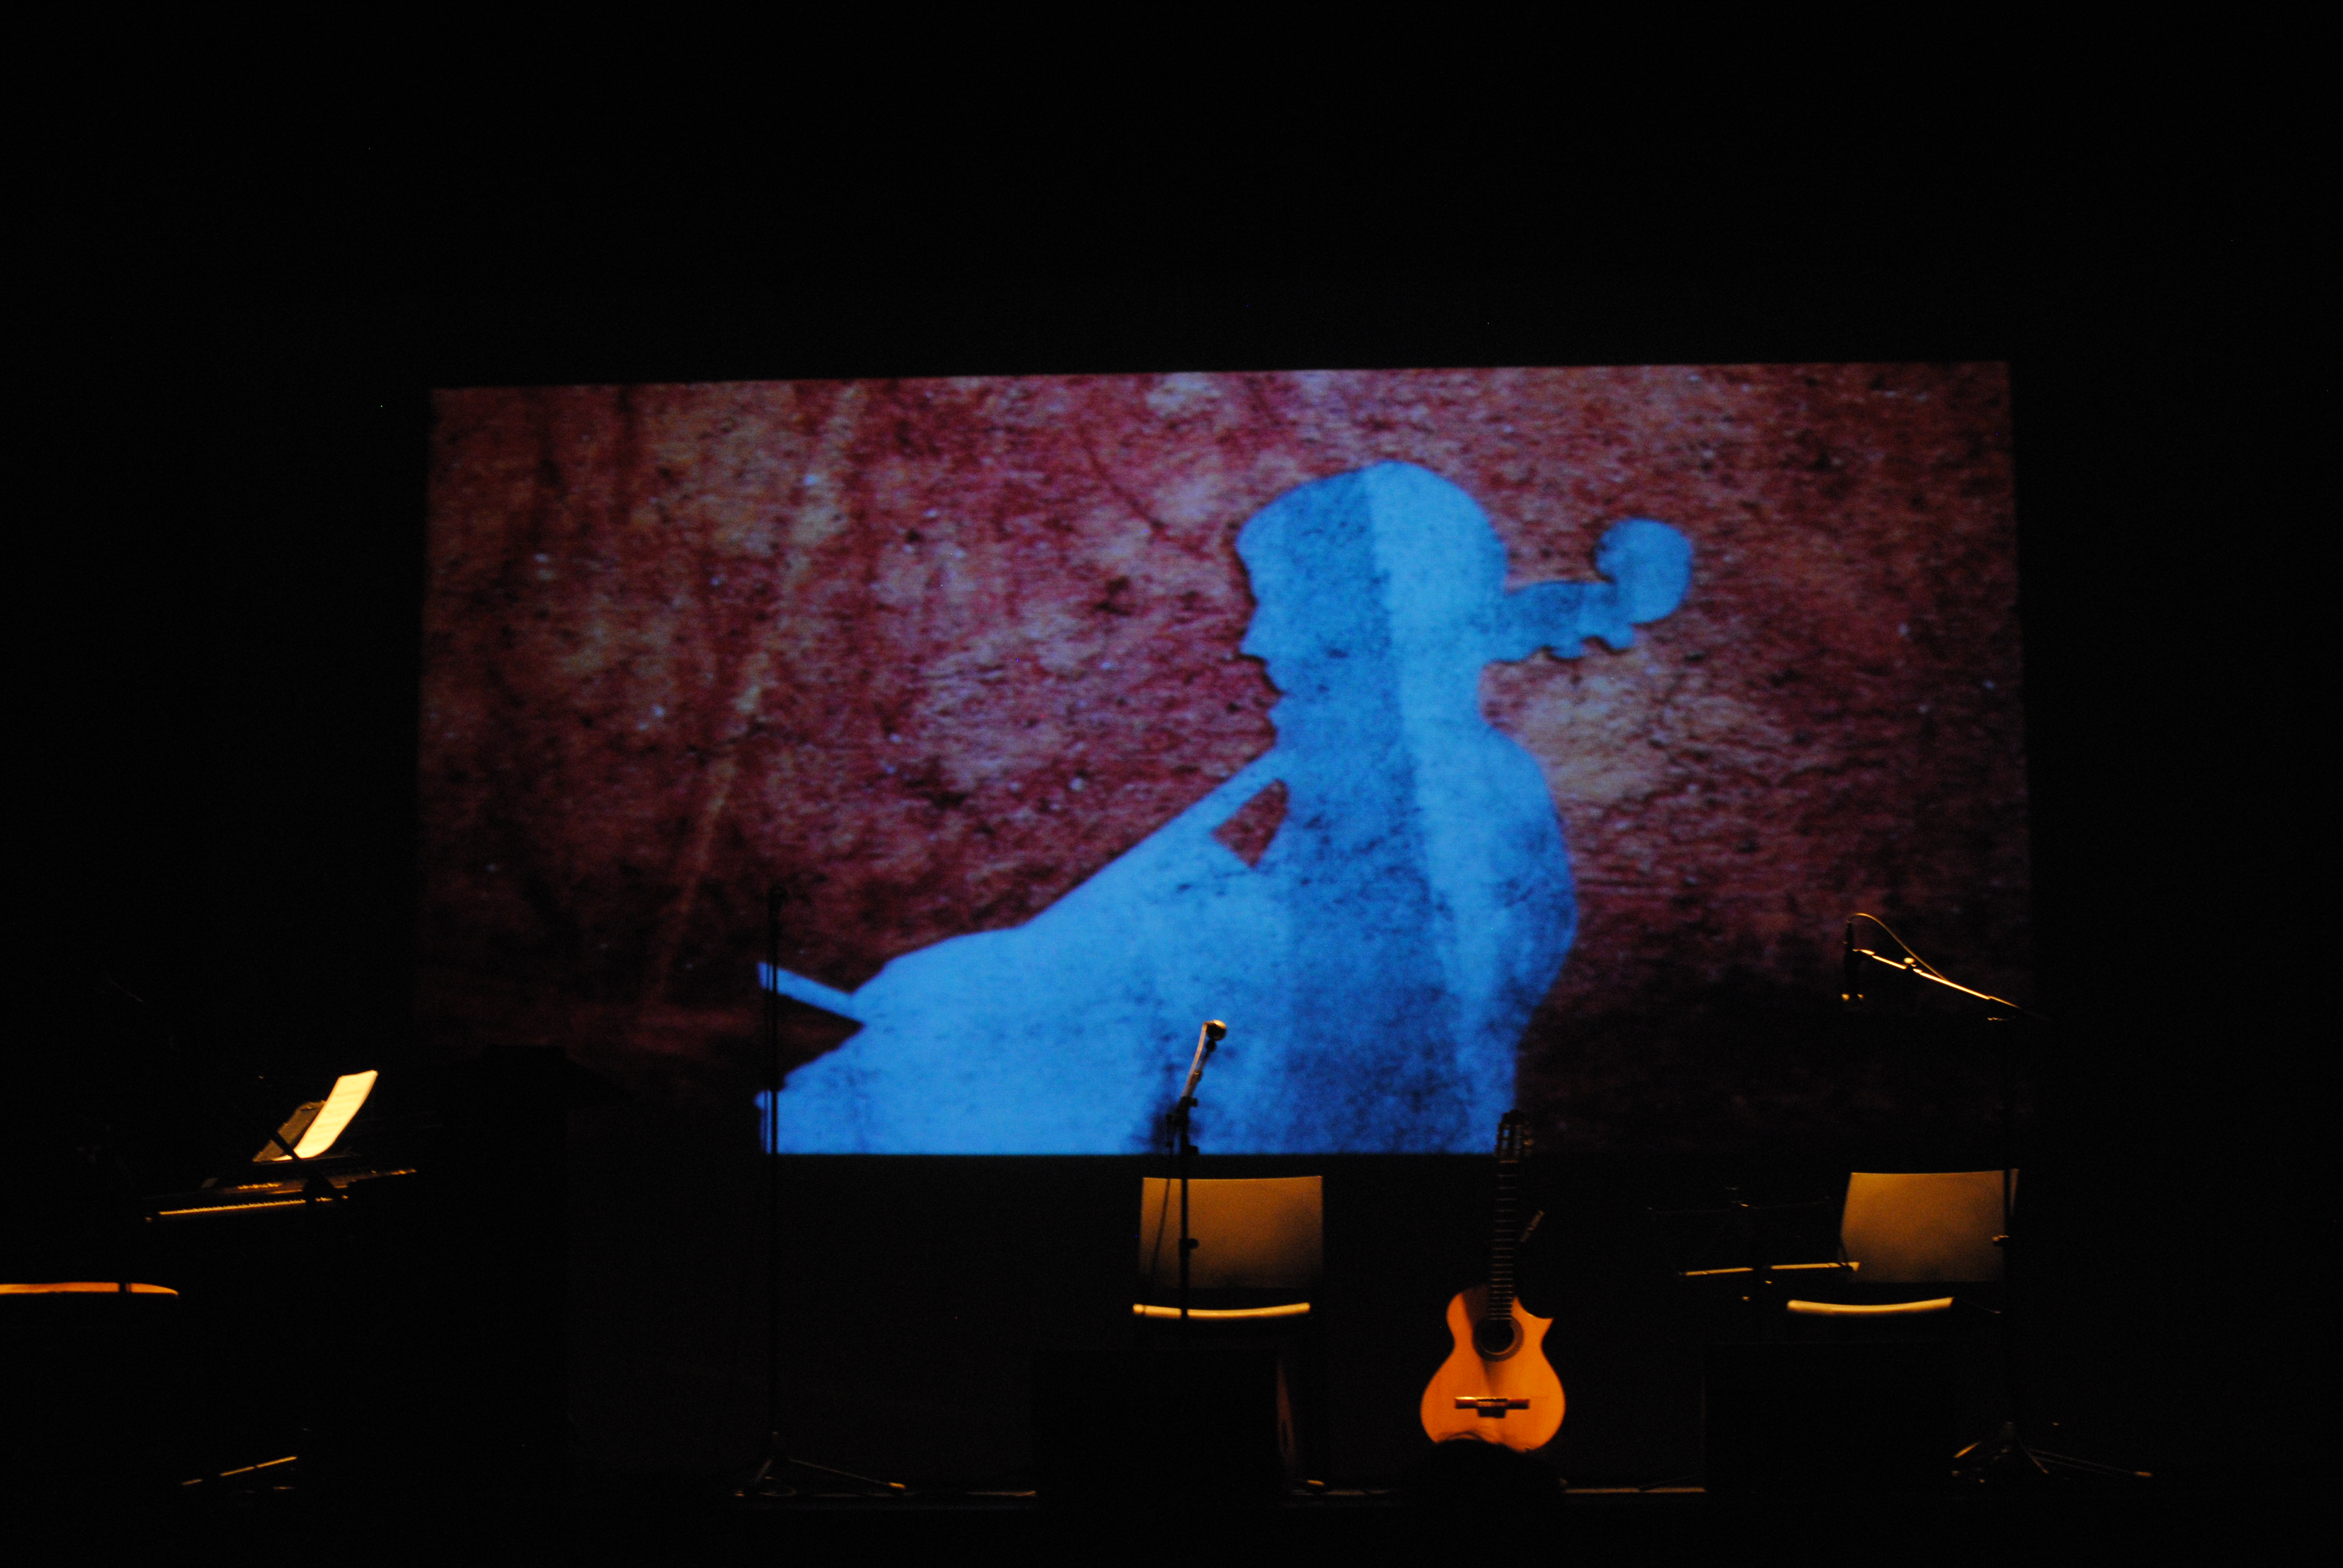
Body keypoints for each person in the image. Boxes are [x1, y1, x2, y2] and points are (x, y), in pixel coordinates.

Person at [761, 462, 1691, 1152]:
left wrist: (1150, 951)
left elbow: (1372, 1044)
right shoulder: (1374, 780)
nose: (1257, 639)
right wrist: (998, 981)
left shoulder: (1457, 798)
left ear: (1366, 632)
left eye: (1284, 608)